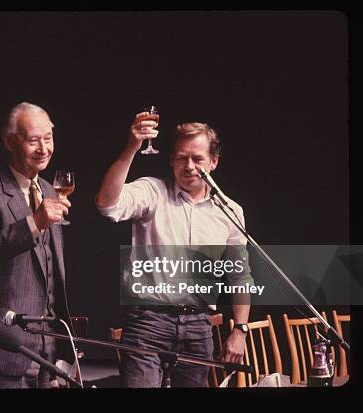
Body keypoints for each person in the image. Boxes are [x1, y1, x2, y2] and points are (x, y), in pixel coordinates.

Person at [95, 115, 253, 387]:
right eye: (181, 158)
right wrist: (132, 146)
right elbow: (107, 204)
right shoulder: (153, 191)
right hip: (148, 322)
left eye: (198, 158)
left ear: (213, 162)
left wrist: (240, 329)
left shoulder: (230, 211)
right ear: (171, 160)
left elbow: (239, 276)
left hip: (199, 326)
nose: (189, 166)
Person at [0, 102, 73, 389]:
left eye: (48, 138)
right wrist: (35, 221)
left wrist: (60, 347)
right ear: (9, 142)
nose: (44, 148)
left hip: (47, 348)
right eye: (33, 140)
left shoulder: (49, 189)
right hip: (3, 346)